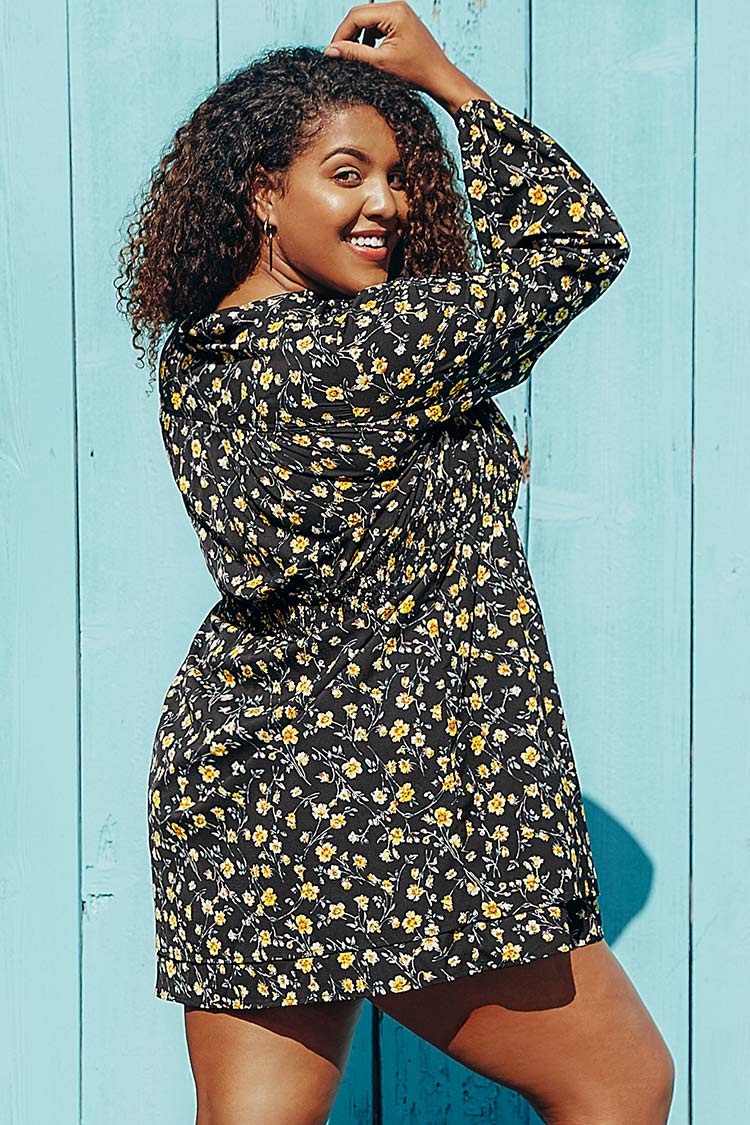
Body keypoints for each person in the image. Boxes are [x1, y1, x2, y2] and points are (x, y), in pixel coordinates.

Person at [116, 3, 675, 1122]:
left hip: (244, 777)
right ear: (263, 192)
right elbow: (577, 247)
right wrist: (451, 88)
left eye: (398, 176)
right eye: (346, 174)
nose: (388, 202)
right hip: (386, 786)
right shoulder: (367, 345)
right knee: (620, 1079)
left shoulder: (203, 356)